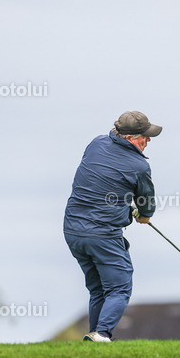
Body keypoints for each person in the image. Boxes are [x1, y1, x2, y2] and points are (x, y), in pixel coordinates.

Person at [63, 111, 161, 342]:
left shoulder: (96, 144)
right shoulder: (139, 166)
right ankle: (103, 333)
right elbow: (146, 202)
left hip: (73, 231)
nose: (148, 141)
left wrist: (124, 206)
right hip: (102, 234)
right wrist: (143, 215)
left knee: (98, 289)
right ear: (128, 137)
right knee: (119, 287)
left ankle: (95, 337)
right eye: (144, 137)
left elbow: (100, 180)